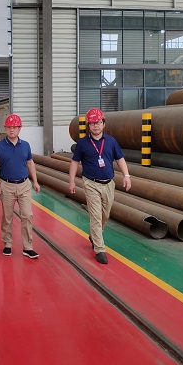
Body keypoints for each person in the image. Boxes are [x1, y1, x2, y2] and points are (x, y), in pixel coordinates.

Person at [68, 108, 132, 265]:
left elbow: (120, 159)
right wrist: (71, 181)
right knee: (95, 216)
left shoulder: (111, 141)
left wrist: (126, 176)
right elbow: (75, 162)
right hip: (91, 183)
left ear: (103, 124)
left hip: (109, 184)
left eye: (98, 122)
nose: (95, 126)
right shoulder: (83, 143)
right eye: (92, 123)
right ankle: (99, 249)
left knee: (105, 215)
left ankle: (94, 235)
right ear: (88, 126)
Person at [0, 114, 40, 259]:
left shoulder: (25, 145)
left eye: (14, 127)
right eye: (9, 127)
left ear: (19, 129)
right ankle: (7, 243)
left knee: (27, 215)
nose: (12, 130)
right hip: (7, 185)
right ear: (5, 128)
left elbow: (30, 163)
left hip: (24, 184)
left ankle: (28, 247)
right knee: (7, 216)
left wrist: (35, 181)